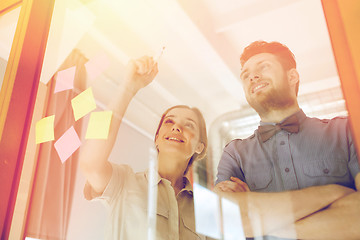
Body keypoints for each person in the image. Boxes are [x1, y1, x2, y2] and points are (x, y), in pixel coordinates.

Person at [215, 41, 360, 239]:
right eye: (245, 75)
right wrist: (335, 193)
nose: (252, 76)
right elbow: (225, 220)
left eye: (263, 66)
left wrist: (261, 225)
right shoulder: (235, 154)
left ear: (292, 76)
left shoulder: (345, 130)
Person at [79, 56, 207, 240]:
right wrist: (128, 87)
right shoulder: (124, 183)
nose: (176, 127)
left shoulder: (205, 213)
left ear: (199, 147)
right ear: (156, 139)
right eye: (169, 121)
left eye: (189, 125)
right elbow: (90, 163)